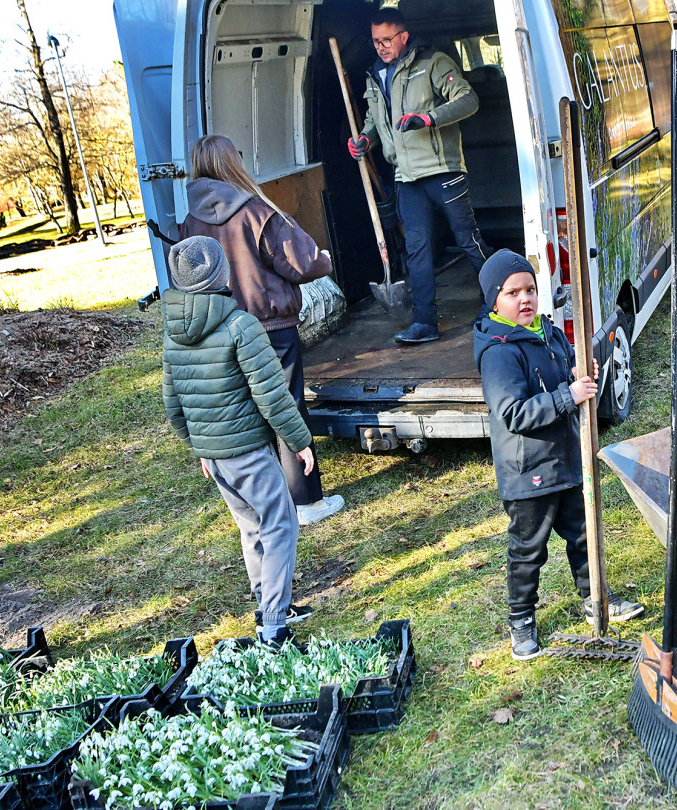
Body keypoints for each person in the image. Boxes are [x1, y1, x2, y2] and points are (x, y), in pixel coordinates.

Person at [473, 250, 644, 661]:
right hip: (527, 470)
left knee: (583, 532)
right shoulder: (498, 351)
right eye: (512, 293)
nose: (525, 299)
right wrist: (568, 395)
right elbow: (513, 412)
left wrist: (576, 376)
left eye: (530, 289)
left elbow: (562, 372)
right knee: (528, 549)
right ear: (494, 301)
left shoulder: (548, 332)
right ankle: (521, 620)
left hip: (565, 459)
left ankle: (594, 597)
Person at [180, 134, 344, 526]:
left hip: (220, 329)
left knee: (246, 413)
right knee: (285, 406)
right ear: (231, 162)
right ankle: (307, 503)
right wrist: (322, 259)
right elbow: (301, 263)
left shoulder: (190, 222)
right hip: (270, 328)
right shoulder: (256, 211)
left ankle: (266, 502)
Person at [161, 236, 312, 647]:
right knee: (280, 524)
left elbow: (174, 406)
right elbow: (272, 394)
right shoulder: (239, 326)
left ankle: (269, 604)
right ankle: (274, 626)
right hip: (248, 452)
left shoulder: (173, 333)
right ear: (220, 274)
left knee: (251, 528)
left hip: (216, 457)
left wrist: (201, 448)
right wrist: (299, 440)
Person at [348, 7, 492, 345]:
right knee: (417, 251)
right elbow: (375, 121)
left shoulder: (433, 63)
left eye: (387, 39)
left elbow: (468, 99)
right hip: (406, 176)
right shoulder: (374, 75)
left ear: (404, 37)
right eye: (375, 41)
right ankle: (424, 323)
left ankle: (497, 302)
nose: (381, 46)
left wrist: (428, 118)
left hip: (443, 170)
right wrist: (365, 140)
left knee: (467, 240)